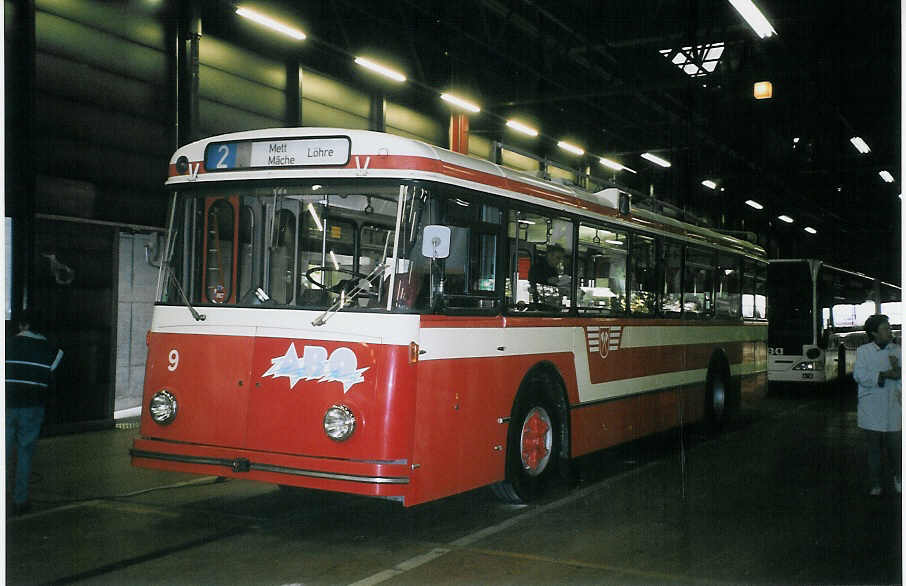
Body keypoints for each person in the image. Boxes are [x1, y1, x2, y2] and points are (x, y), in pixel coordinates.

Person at [6, 312, 63, 515]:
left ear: (22, 325)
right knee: (24, 452)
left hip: (6, 404)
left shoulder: (6, 344)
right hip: (32, 406)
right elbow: (52, 376)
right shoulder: (53, 350)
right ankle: (20, 501)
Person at [852, 314, 901, 496]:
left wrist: (898, 371)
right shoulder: (864, 351)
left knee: (896, 448)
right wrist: (884, 375)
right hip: (871, 408)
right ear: (874, 333)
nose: (890, 331)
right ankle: (876, 483)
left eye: (889, 328)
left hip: (893, 406)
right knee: (874, 449)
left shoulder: (897, 350)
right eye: (885, 328)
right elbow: (859, 375)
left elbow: (900, 376)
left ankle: (899, 478)